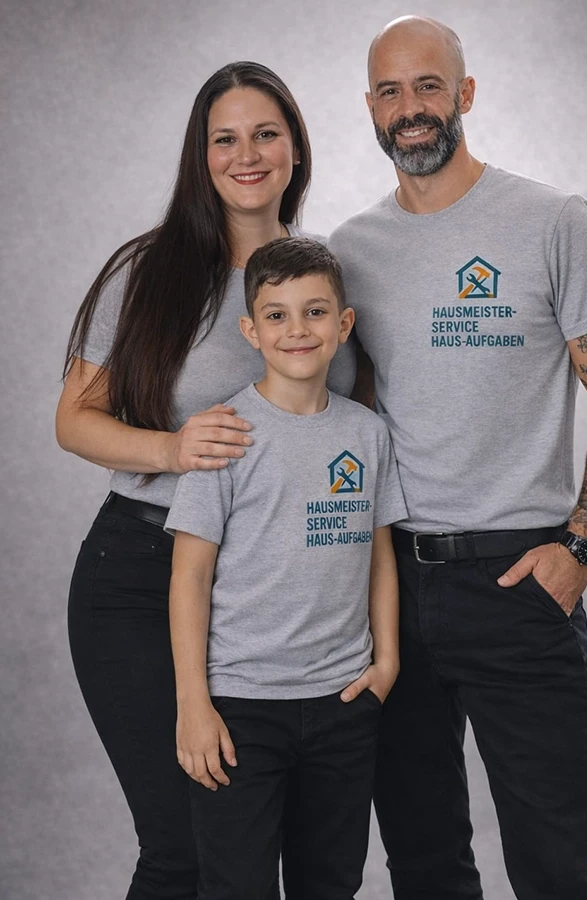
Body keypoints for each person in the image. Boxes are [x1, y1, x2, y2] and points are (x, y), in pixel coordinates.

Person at [56, 63, 356, 899]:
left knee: (261, 852)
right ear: (202, 155)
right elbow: (73, 419)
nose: (247, 155)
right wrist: (174, 448)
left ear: (295, 145)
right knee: (185, 846)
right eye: (225, 138)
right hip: (142, 574)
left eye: (266, 133)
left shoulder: (323, 279)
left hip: (268, 594)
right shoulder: (150, 272)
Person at [328, 15, 587, 900]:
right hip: (390, 583)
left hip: (520, 576)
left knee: (561, 858)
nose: (411, 110)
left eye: (429, 86)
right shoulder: (351, 253)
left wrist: (584, 549)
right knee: (422, 853)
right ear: (370, 106)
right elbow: (346, 415)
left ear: (466, 94)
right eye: (391, 91)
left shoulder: (553, 221)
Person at [164, 236, 406, 899]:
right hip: (241, 709)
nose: (297, 330)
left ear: (344, 325)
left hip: (343, 704)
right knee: (237, 885)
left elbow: (378, 555)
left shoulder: (367, 434)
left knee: (329, 883)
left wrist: (385, 664)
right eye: (277, 315)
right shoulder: (225, 433)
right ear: (251, 330)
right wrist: (194, 705)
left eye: (316, 312)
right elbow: (188, 577)